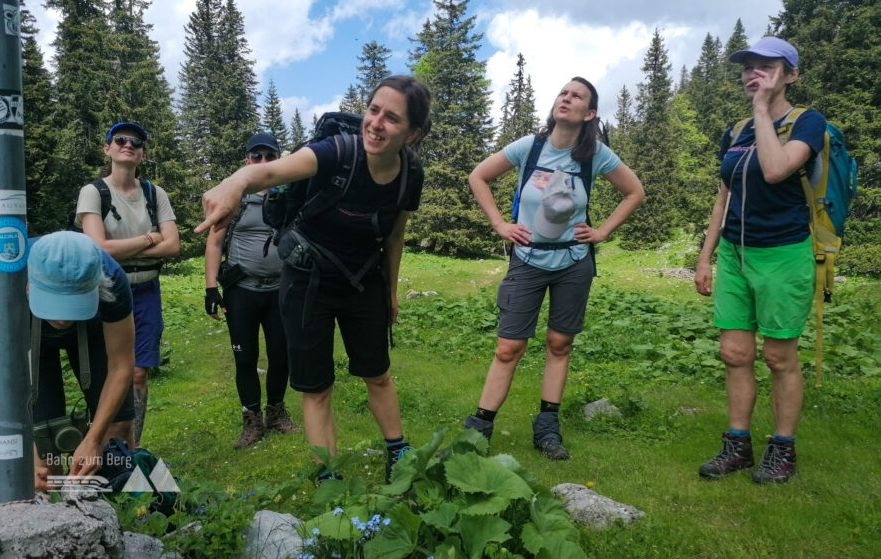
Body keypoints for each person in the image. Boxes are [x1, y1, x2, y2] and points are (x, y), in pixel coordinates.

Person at [196, 75, 430, 481]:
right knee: (316, 386)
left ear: (412, 132)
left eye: (391, 118)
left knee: (377, 372)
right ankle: (328, 477)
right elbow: (270, 174)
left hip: (363, 280)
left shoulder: (412, 174)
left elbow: (395, 236)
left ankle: (398, 452)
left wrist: (390, 293)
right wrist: (234, 182)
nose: (375, 123)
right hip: (308, 280)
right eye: (373, 109)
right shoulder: (336, 151)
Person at [463, 77, 643, 460]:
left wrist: (603, 231)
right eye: (562, 92)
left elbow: (634, 191)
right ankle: (478, 428)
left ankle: (547, 428)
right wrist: (499, 224)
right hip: (527, 259)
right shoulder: (530, 147)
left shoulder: (595, 155)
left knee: (560, 344)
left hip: (573, 262)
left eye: (576, 96)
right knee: (509, 346)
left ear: (588, 113)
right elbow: (478, 176)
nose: (566, 98)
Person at [694, 37, 825, 484]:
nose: (754, 74)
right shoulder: (734, 132)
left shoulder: (807, 122)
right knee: (734, 352)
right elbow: (723, 198)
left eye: (767, 66)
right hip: (734, 254)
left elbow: (775, 169)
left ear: (791, 74)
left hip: (783, 254)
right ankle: (737, 445)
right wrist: (705, 257)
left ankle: (782, 449)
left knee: (778, 357)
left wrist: (763, 112)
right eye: (749, 67)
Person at [0, 231, 135, 492]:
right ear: (30, 285)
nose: (63, 319)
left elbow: (120, 367)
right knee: (42, 452)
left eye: (74, 304)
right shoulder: (6, 279)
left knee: (116, 430)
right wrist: (19, 457)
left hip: (94, 331)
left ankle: (126, 516)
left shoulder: (111, 276)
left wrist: (94, 438)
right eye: (54, 304)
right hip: (28, 333)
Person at [76, 122, 179, 446]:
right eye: (120, 140)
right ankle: (102, 442)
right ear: (107, 149)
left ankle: (131, 447)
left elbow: (174, 245)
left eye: (136, 142)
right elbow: (96, 249)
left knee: (138, 372)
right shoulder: (94, 192)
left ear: (143, 154)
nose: (128, 145)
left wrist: (118, 247)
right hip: (104, 291)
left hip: (147, 290)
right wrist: (149, 238)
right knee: (107, 372)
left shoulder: (154, 193)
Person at [204, 133, 300, 448]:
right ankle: (251, 420)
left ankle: (276, 412)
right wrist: (210, 288)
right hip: (241, 291)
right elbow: (215, 240)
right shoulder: (235, 196)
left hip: (279, 290)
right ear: (247, 161)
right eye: (256, 156)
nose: (262, 162)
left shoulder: (289, 197)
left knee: (281, 355)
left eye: (269, 156)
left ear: (277, 159)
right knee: (246, 359)